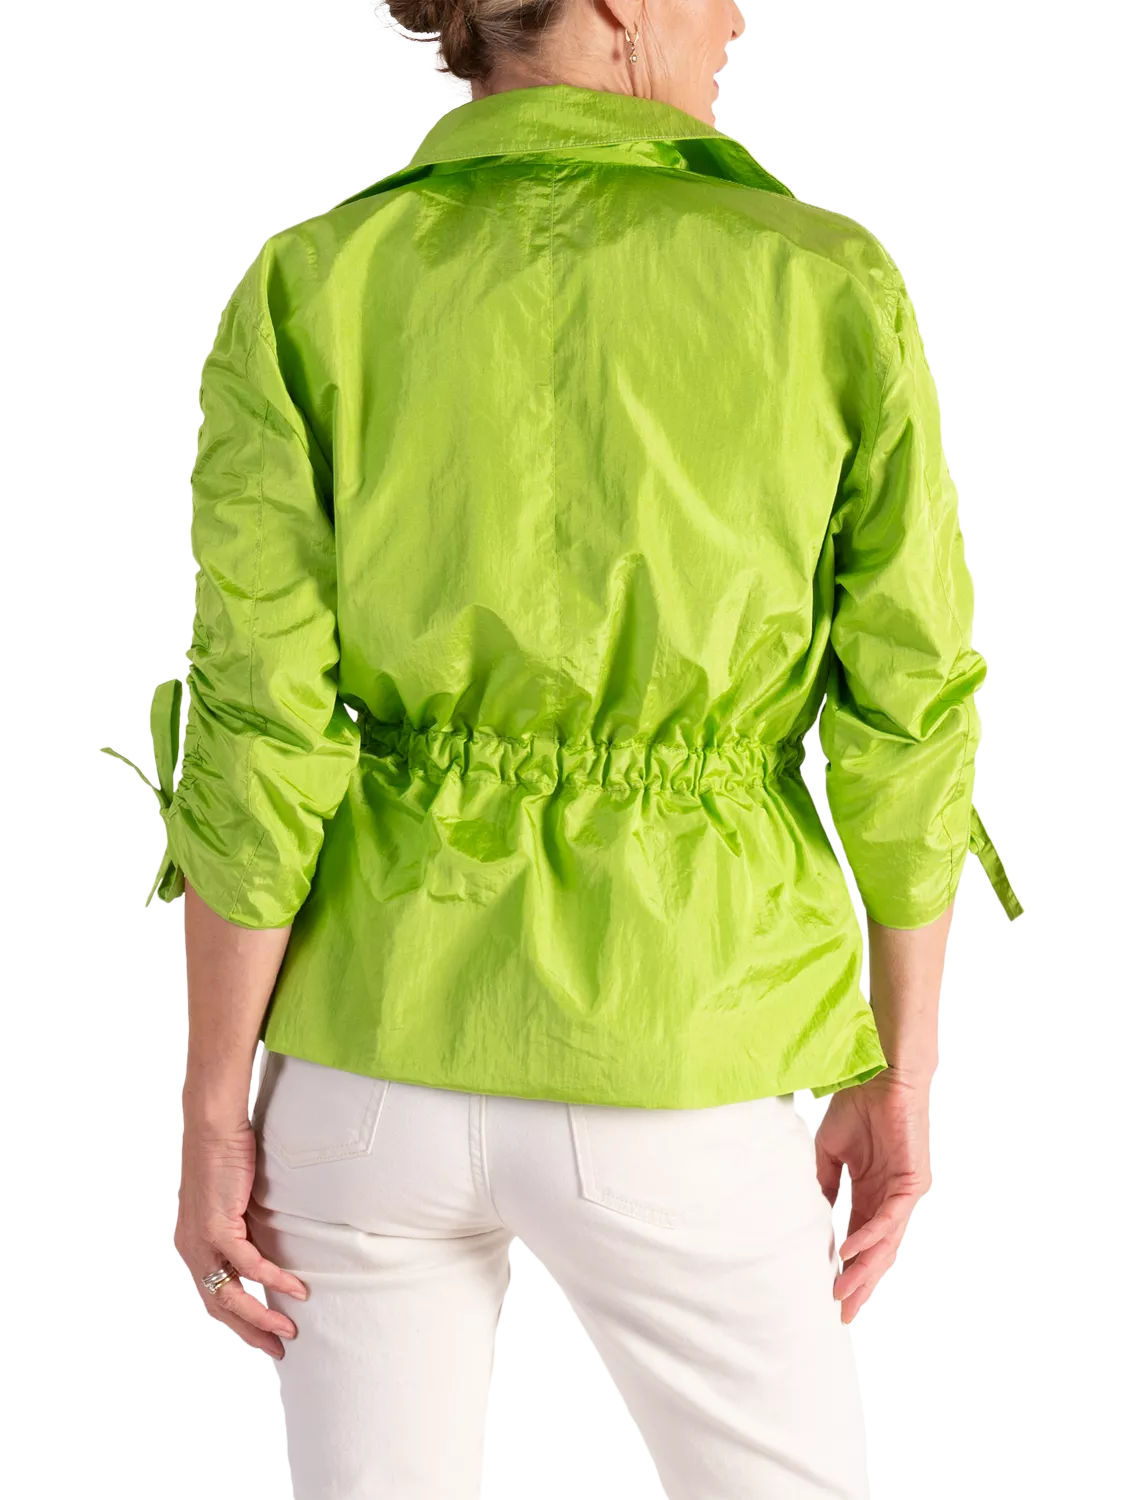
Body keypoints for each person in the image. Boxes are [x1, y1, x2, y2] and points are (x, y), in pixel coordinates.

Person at [101, 0, 1023, 1495]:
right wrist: (898, 1068)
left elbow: (260, 720)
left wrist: (214, 1109)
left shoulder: (315, 279)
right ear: (616, 6)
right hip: (682, 1037)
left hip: (365, 1058)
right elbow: (908, 711)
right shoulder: (823, 279)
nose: (738, 17)